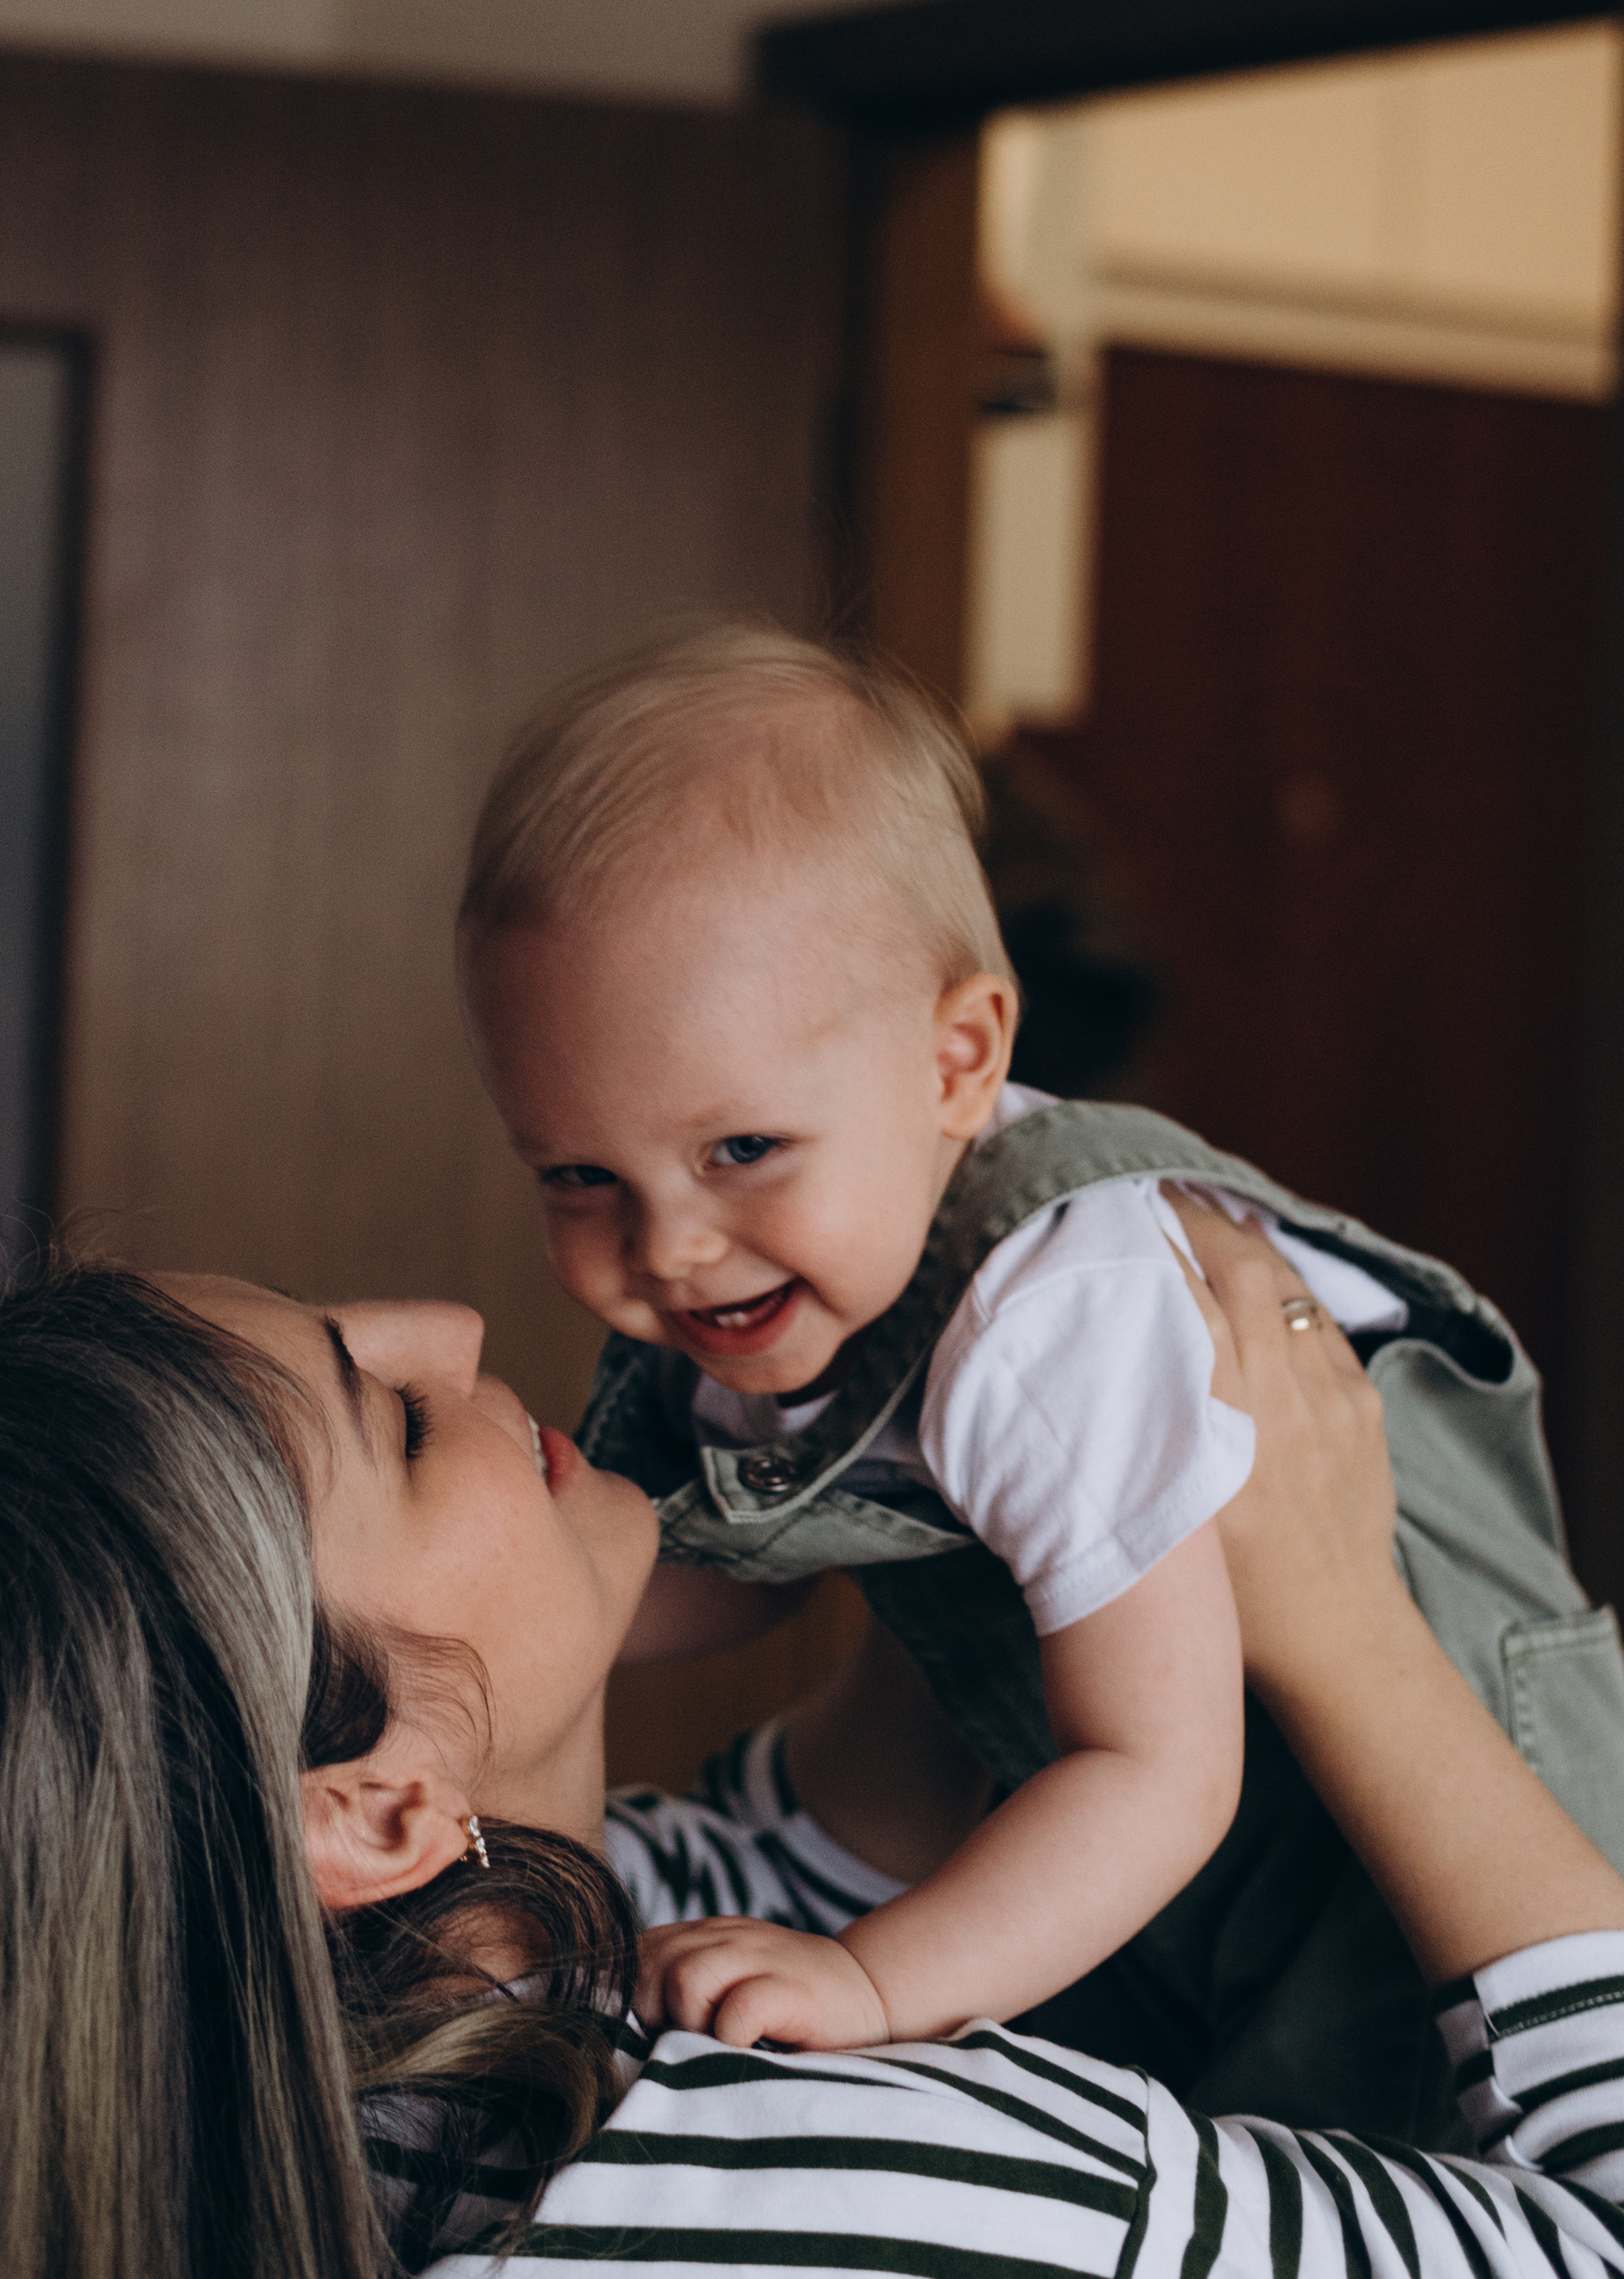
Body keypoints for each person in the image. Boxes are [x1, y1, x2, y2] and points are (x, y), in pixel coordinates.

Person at [0, 1214, 1624, 2279]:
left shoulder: (407, 2087)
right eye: (384, 1420)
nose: (457, 1322)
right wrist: (1347, 1638)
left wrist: (929, 1459)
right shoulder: (811, 2192)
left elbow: (837, 1856)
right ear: (372, 1803)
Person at [454, 621, 1624, 2128]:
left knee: (1384, 2113)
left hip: (1413, 1786)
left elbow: (1154, 1774)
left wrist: (870, 1986)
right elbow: (751, 1568)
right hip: (1163, 1800)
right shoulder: (774, 1266)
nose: (668, 1248)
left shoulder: (1049, 1321)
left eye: (739, 1150)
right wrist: (477, 1624)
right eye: (574, 1173)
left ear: (958, 1061)